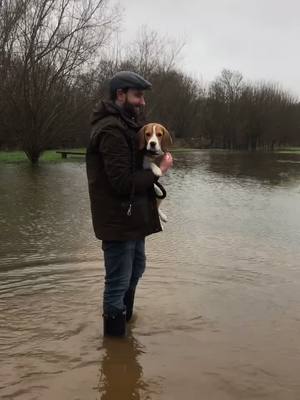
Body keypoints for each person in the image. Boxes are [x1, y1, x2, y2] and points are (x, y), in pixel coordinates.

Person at [85, 71, 173, 337]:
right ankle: (114, 344)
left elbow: (139, 161)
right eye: (137, 96)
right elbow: (122, 183)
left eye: (143, 97)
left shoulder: (128, 125)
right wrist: (161, 170)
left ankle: (125, 331)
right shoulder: (111, 129)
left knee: (136, 270)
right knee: (117, 283)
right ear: (120, 95)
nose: (142, 102)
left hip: (132, 219)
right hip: (117, 222)